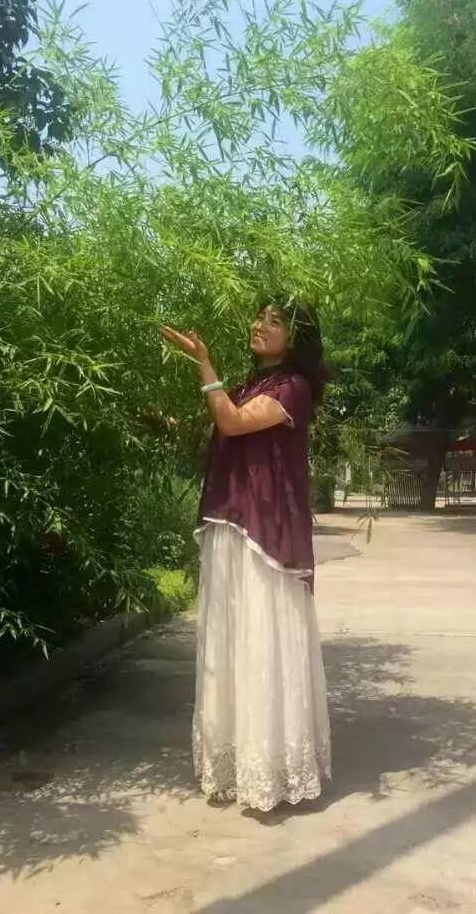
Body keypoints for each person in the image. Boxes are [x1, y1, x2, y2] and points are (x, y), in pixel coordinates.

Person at [161, 297, 331, 812]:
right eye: (260, 317)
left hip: (266, 531)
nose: (260, 325)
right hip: (232, 520)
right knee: (233, 640)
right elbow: (218, 427)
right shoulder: (252, 383)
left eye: (274, 321)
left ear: (295, 338)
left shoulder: (292, 387)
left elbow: (232, 422)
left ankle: (273, 768)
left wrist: (203, 363)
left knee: (263, 637)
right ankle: (237, 761)